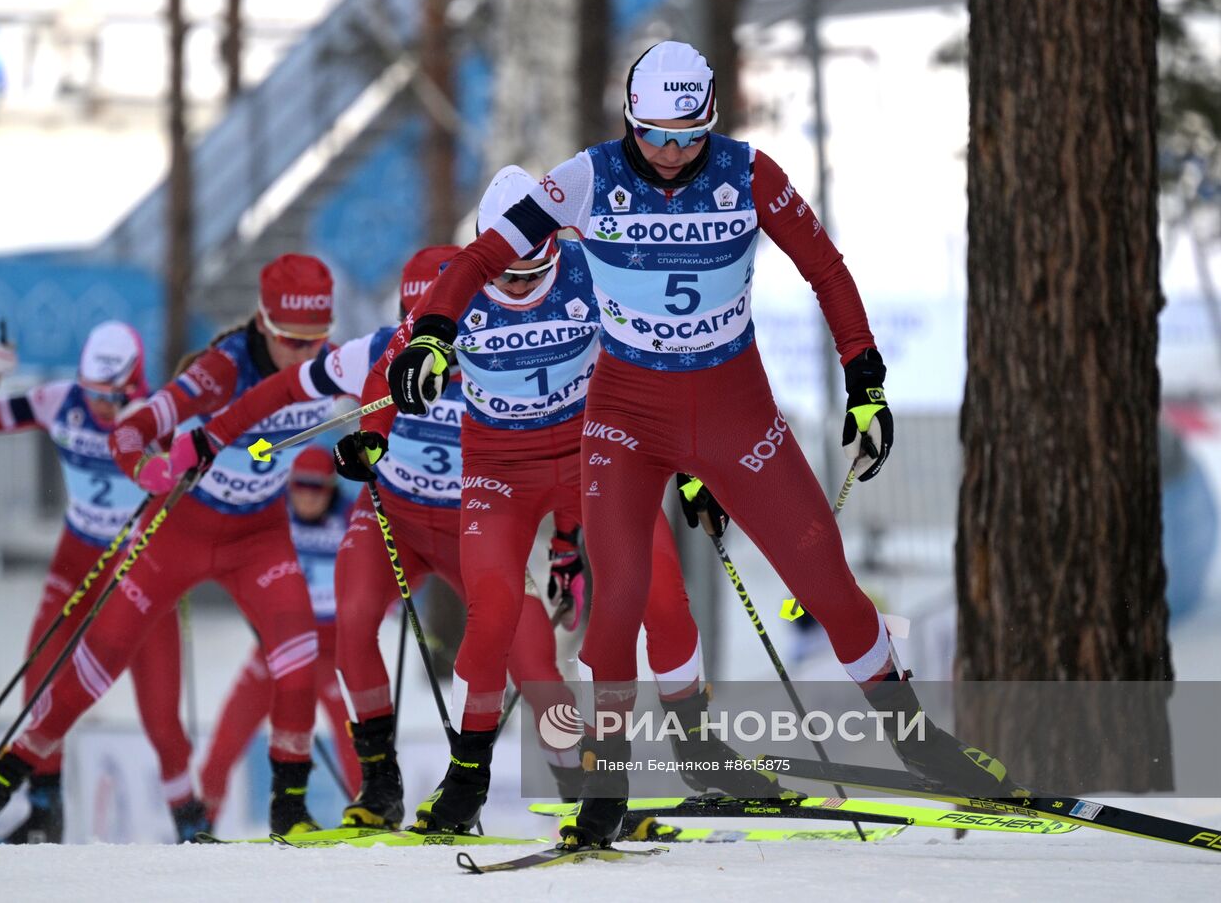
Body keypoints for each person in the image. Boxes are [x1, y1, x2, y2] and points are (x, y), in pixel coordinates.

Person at [380, 41, 1015, 847]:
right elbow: (479, 257)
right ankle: (606, 784)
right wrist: (433, 335)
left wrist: (866, 380)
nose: (674, 154)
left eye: (690, 136)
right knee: (617, 599)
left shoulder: (750, 173)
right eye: (655, 135)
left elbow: (825, 267)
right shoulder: (586, 177)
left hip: (734, 410)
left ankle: (920, 744)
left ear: (712, 120)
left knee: (825, 575)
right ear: (628, 121)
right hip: (624, 418)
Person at [348, 167, 789, 834]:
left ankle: (701, 753)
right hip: (501, 469)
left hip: (599, 453)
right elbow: (388, 366)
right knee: (494, 608)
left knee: (661, 596)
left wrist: (695, 465)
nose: (519, 286)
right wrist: (372, 436)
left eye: (533, 272)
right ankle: (467, 776)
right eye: (508, 274)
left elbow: (675, 351)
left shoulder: (590, 265)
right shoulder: (458, 282)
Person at [0, 254, 338, 843]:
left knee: (261, 674)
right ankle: (14, 799)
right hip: (136, 543)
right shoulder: (190, 378)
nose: (103, 406)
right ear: (265, 324)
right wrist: (149, 468)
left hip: (226, 540)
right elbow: (117, 432)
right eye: (294, 340)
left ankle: (264, 817)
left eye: (317, 338)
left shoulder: (326, 365)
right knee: (66, 675)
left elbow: (387, 374)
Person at [169, 247, 580, 831]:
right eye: (412, 317)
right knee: (354, 618)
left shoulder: (506, 350)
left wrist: (571, 535)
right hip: (395, 519)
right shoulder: (378, 350)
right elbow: (285, 389)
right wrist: (212, 437)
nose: (421, 339)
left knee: (534, 658)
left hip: (480, 526)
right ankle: (380, 784)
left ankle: (588, 792)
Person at [0, 320, 200, 842]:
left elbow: (194, 473)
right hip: (79, 554)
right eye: (91, 393)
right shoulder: (57, 401)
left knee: (160, 714)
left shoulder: (155, 416)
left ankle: (190, 819)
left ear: (134, 386)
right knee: (39, 677)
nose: (99, 407)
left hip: (140, 565)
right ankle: (45, 810)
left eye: (110, 398)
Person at [197, 445, 359, 826]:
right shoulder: (274, 513)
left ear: (331, 486)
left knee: (356, 744)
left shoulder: (352, 517)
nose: (306, 495)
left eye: (315, 487)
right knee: (226, 740)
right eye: (299, 485)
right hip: (279, 643)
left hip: (332, 651)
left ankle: (370, 815)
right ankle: (199, 822)